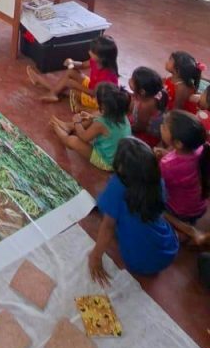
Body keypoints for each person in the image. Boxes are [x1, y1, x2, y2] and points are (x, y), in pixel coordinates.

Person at [88, 137, 179, 284]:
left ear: (122, 167)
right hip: (168, 251)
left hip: (140, 263)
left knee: (107, 211)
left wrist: (95, 257)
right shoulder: (157, 181)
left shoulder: (117, 185)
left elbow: (108, 226)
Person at [50, 83, 131, 171]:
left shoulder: (101, 123)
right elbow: (101, 118)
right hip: (119, 160)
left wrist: (77, 121)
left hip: (107, 163)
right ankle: (67, 126)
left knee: (73, 140)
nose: (94, 99)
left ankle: (55, 126)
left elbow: (84, 137)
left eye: (96, 98)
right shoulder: (121, 114)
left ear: (103, 106)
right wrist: (89, 116)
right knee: (96, 115)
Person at [27, 34, 119, 106]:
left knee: (72, 90)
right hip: (92, 86)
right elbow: (83, 65)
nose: (89, 52)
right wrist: (73, 62)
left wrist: (75, 85)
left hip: (97, 99)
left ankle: (45, 85)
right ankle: (53, 93)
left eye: (92, 51)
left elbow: (94, 93)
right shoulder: (96, 61)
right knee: (71, 72)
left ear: (102, 58)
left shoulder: (106, 76)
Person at [156, 111, 209, 228]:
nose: (161, 127)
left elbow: (156, 183)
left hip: (179, 210)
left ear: (178, 143)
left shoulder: (167, 165)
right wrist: (167, 154)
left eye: (164, 127)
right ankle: (190, 222)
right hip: (200, 207)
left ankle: (179, 229)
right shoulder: (201, 149)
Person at [128, 66, 168, 147]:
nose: (129, 80)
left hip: (147, 134)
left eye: (132, 80)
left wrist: (127, 128)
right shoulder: (149, 95)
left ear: (142, 92)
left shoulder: (145, 106)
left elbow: (141, 126)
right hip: (141, 120)